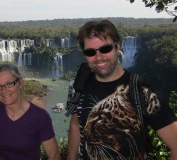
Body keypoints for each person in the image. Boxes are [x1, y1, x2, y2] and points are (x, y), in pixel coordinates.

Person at [65, 19, 177, 160]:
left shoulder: (143, 91)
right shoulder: (78, 86)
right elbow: (76, 123)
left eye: (105, 49)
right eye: (90, 52)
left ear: (117, 46)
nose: (99, 58)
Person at [0, 63, 61, 160]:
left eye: (9, 84)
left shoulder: (40, 117)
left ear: (21, 82)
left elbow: (54, 156)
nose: (4, 91)